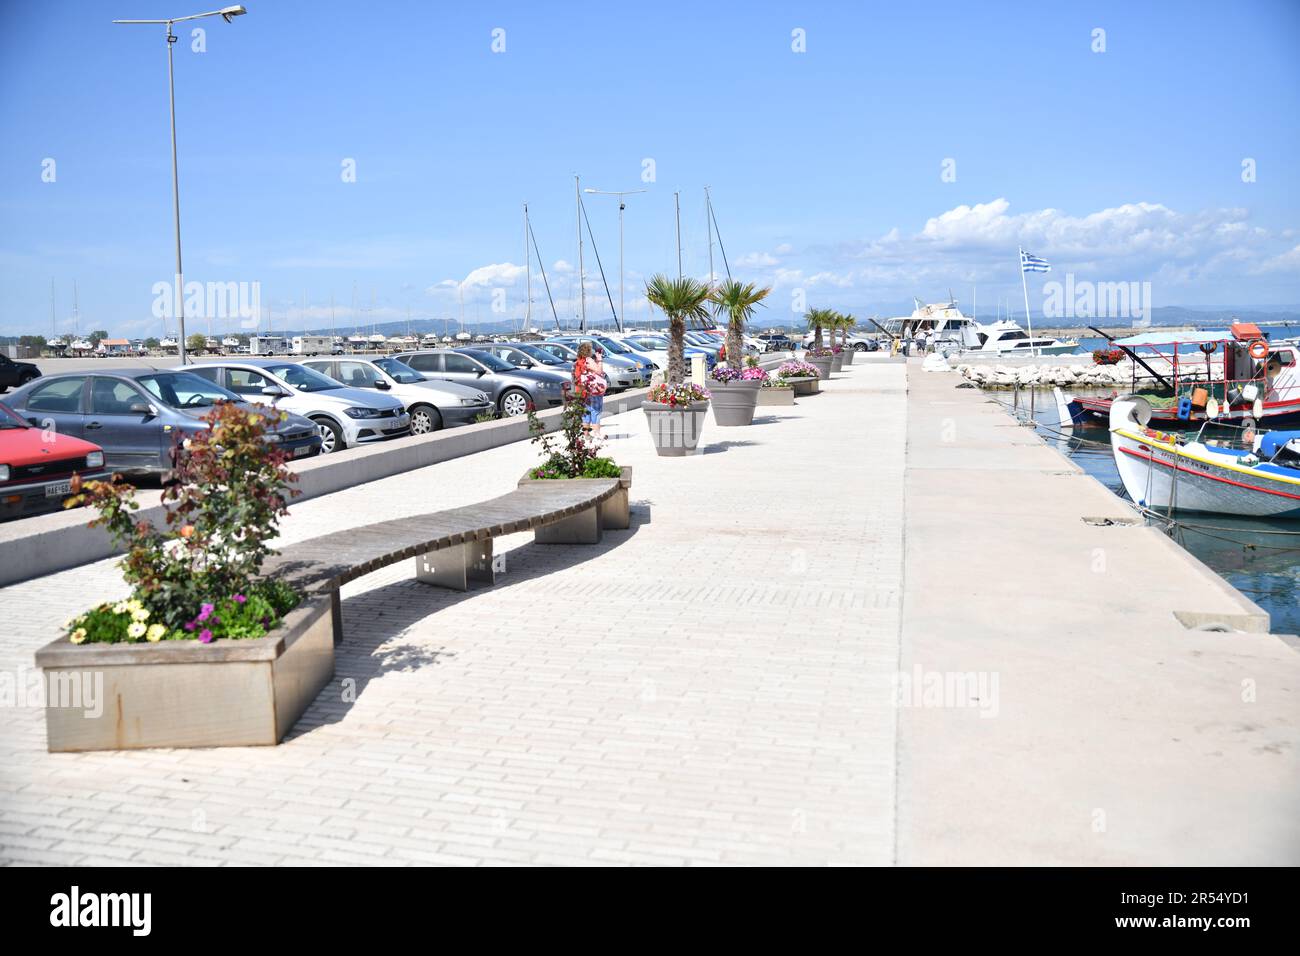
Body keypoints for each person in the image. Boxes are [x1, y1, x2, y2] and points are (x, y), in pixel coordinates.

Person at [572, 342, 607, 441]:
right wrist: (599, 359)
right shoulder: (589, 360)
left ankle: (586, 434)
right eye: (591, 349)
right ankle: (597, 433)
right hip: (593, 389)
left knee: (586, 413)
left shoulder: (579, 361)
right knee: (596, 411)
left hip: (583, 390)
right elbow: (599, 371)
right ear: (588, 350)